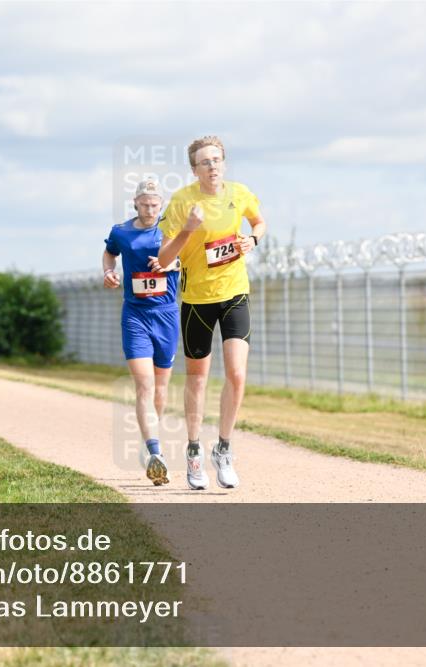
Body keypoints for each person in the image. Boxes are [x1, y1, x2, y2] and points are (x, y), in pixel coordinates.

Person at [157, 136, 266, 490]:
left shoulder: (240, 193)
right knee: (198, 378)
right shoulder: (182, 201)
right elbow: (163, 259)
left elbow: (259, 222)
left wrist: (254, 239)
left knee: (236, 373)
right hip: (196, 300)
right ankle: (193, 450)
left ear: (224, 163)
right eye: (205, 162)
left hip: (234, 292)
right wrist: (188, 227)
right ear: (194, 169)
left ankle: (223, 448)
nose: (212, 166)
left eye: (217, 160)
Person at [103, 179, 181, 486]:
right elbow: (109, 254)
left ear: (161, 205)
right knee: (144, 385)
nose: (149, 209)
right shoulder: (121, 231)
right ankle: (155, 452)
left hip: (167, 315)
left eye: (155, 205)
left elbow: (187, 260)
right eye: (144, 204)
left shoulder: (170, 231)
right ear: (135, 203)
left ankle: (150, 439)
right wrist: (108, 271)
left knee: (161, 387)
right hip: (135, 315)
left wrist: (171, 264)